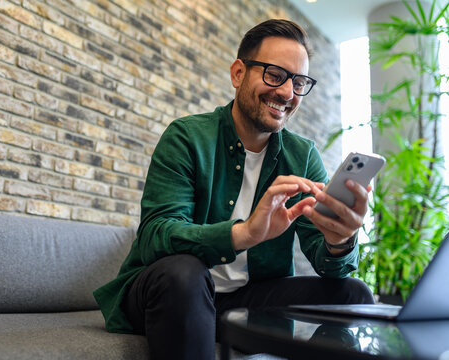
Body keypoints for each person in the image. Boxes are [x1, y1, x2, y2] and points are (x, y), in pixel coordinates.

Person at [94, 18, 375, 360]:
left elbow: (327, 263)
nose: (287, 92)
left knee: (353, 294)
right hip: (172, 292)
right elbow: (156, 234)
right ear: (239, 73)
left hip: (247, 298)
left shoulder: (302, 155)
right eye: (274, 74)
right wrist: (243, 234)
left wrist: (338, 241)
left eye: (299, 82)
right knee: (184, 273)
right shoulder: (187, 136)